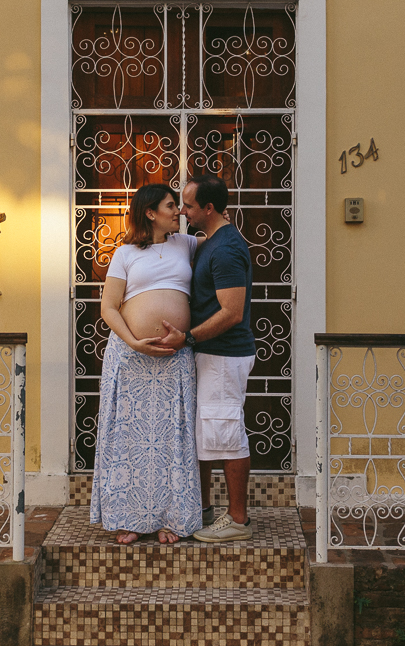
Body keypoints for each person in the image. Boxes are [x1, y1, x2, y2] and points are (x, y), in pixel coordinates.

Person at [91, 183, 204, 545]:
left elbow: (221, 241)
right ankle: (130, 518)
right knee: (129, 438)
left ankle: (171, 518)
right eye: (172, 206)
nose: (179, 212)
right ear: (151, 213)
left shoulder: (186, 245)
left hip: (173, 357)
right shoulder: (125, 254)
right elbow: (109, 307)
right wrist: (133, 341)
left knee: (171, 437)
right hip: (130, 357)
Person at [159, 174, 256, 543]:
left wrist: (188, 337)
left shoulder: (227, 248)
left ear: (209, 209)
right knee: (208, 434)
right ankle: (203, 510)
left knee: (227, 433)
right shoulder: (211, 241)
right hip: (210, 355)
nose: (182, 212)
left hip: (224, 355)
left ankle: (237, 520)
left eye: (188, 206)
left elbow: (231, 312)